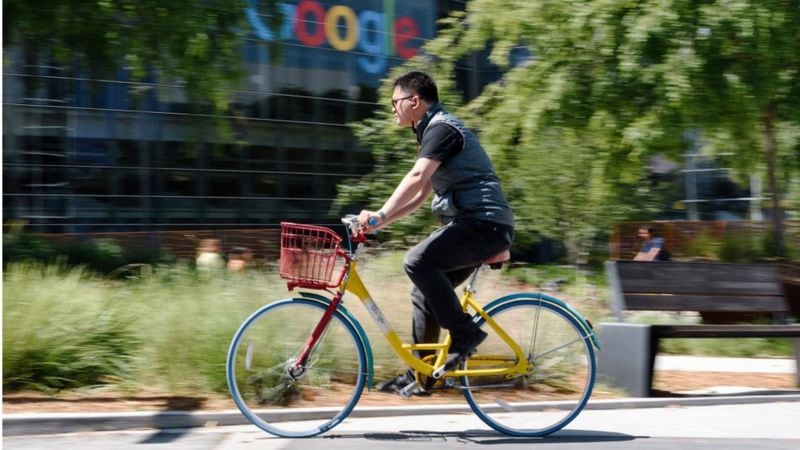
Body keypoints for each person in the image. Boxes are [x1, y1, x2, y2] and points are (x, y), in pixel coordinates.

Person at [357, 71, 515, 395]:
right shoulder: (432, 131)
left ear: (414, 101)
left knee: (416, 261)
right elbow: (420, 196)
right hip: (475, 224)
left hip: (484, 224)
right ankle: (422, 375)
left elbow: (417, 177)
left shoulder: (442, 128)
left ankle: (464, 333)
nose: (392, 109)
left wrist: (380, 213)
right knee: (423, 292)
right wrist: (380, 223)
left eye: (395, 102)